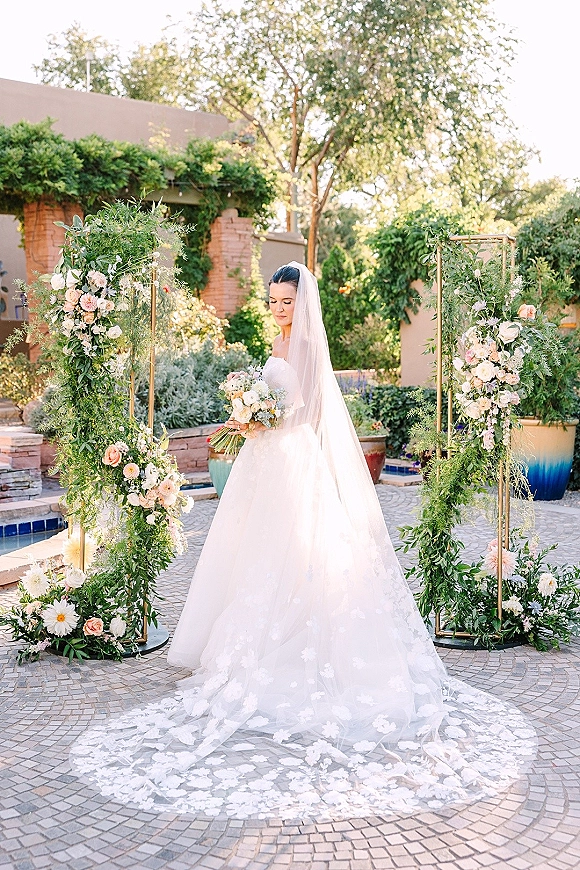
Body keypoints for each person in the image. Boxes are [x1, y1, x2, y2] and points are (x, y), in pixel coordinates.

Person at [71, 263, 535, 820]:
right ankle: (242, 645)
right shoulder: (278, 340)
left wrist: (266, 420)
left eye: (285, 301)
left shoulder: (310, 350)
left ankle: (293, 656)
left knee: (294, 556)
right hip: (260, 463)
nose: (278, 309)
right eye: (272, 301)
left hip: (290, 464)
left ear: (302, 302)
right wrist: (248, 418)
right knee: (251, 557)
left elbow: (311, 413)